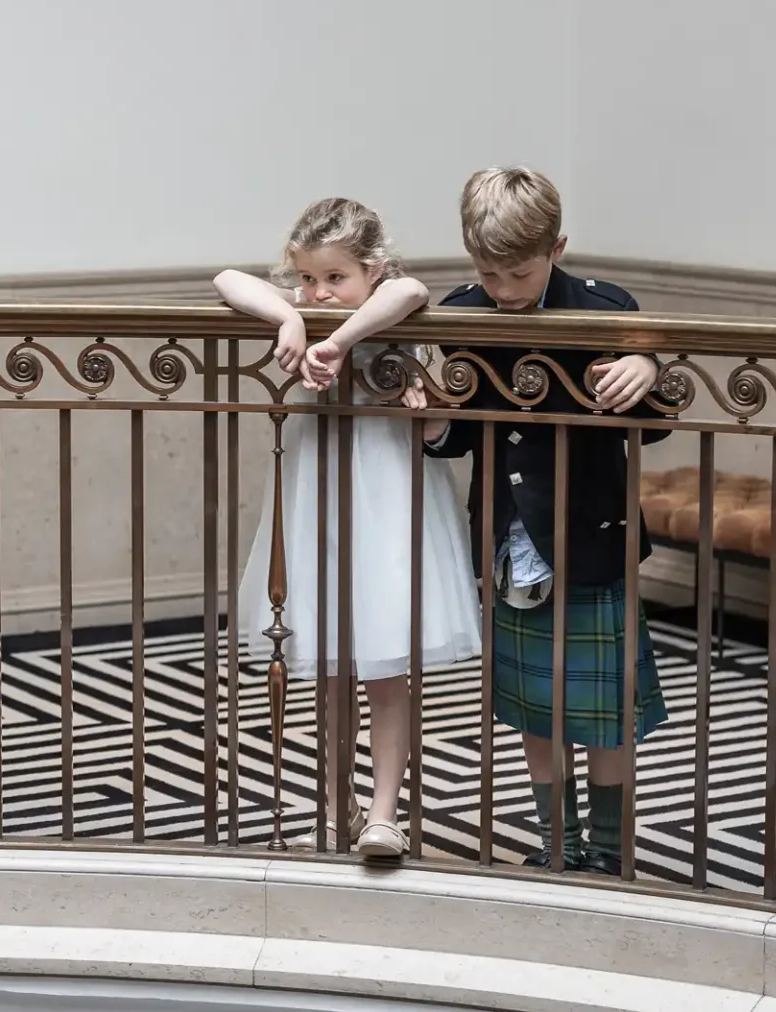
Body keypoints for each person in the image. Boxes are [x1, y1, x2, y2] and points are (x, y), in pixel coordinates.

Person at [419, 167, 669, 874]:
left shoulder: (603, 308)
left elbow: (652, 429)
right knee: (535, 708)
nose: (501, 289)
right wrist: (435, 422)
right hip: (509, 542)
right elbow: (462, 435)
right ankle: (556, 848)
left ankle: (610, 852)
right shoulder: (462, 313)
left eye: (518, 274)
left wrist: (644, 372)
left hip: (593, 539)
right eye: (487, 272)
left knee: (606, 711)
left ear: (557, 247)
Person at [224, 198, 481, 859]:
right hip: (319, 495)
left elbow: (412, 289)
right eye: (309, 279)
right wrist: (288, 315)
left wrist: (338, 341)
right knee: (333, 663)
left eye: (336, 278)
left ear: (371, 270)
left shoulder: (397, 306)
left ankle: (385, 812)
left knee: (385, 663)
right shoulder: (302, 311)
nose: (320, 292)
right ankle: (338, 800)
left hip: (389, 494)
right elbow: (227, 280)